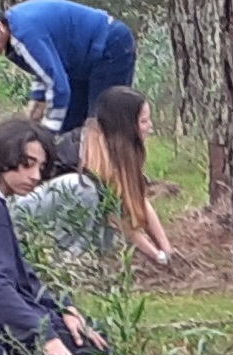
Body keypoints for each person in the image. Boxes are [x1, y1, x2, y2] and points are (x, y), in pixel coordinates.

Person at [0, 118, 107, 355]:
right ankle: (7, 354)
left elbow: (24, 277)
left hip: (13, 321)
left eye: (40, 166)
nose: (35, 176)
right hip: (7, 325)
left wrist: (62, 308)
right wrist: (47, 338)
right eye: (26, 164)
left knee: (93, 335)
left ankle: (2, 354)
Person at [15, 86, 175, 266]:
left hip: (59, 215)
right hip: (23, 216)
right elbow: (117, 219)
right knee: (84, 189)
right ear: (126, 125)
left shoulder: (119, 153)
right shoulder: (90, 154)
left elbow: (138, 200)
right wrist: (157, 256)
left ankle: (84, 262)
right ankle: (64, 263)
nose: (150, 126)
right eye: (144, 121)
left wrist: (166, 250)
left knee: (102, 223)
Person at [0, 0, 137, 139]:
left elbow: (58, 87)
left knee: (102, 123)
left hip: (110, 46)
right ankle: (74, 177)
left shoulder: (24, 33)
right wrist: (35, 112)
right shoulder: (15, 32)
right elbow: (43, 70)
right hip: (79, 63)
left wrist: (46, 136)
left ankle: (118, 176)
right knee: (70, 126)